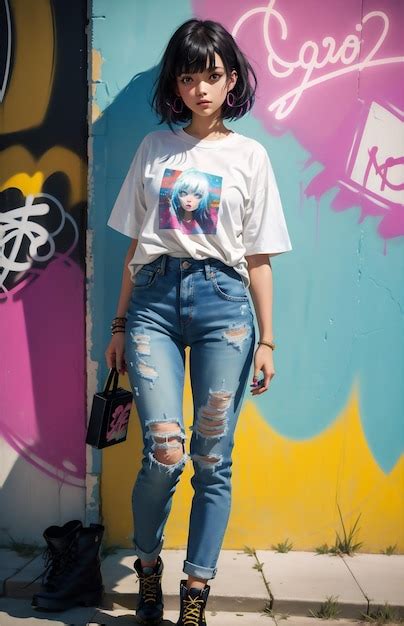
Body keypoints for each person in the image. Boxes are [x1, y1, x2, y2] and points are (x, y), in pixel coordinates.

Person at [105, 17, 292, 626]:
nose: (201, 90)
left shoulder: (250, 156)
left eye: (212, 76)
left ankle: (195, 595)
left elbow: (259, 257)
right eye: (189, 79)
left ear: (231, 79)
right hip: (153, 306)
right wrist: (117, 324)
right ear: (176, 87)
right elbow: (135, 246)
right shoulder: (155, 149)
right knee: (164, 454)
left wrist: (267, 339)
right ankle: (149, 565)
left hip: (226, 311)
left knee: (213, 456)